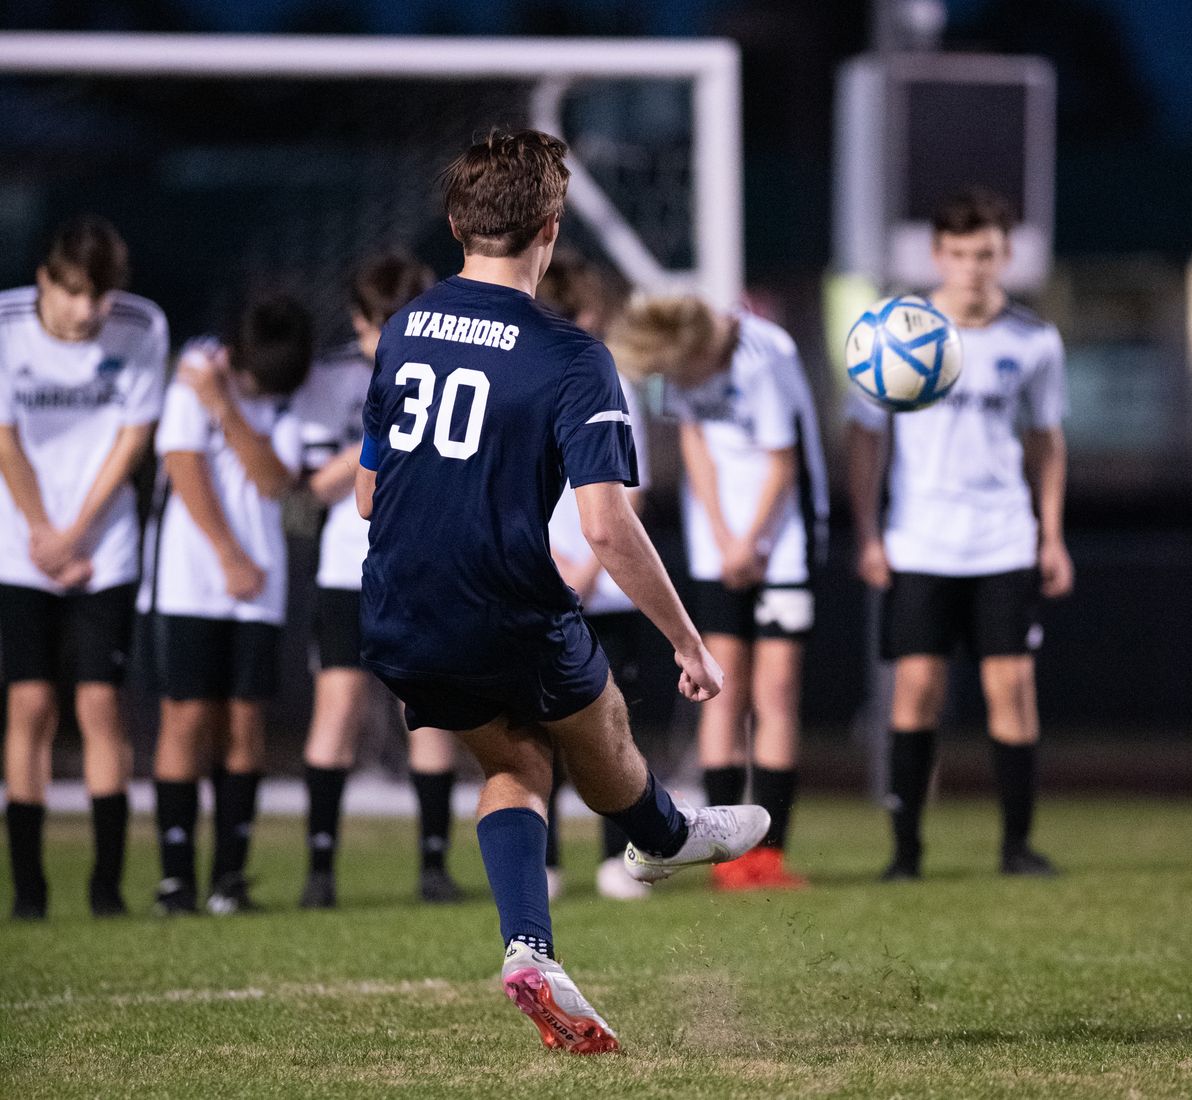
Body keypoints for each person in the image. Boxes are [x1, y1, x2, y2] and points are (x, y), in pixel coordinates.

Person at [356, 129, 768, 1054]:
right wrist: (689, 642)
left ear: (456, 222)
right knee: (602, 725)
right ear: (552, 226)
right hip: (501, 600)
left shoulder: (401, 328)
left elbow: (366, 489)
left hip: (393, 606)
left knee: (515, 762)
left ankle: (530, 951)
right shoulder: (573, 357)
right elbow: (607, 528)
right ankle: (663, 834)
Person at [846, 187, 1072, 881]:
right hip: (920, 540)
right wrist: (869, 532)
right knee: (916, 691)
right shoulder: (893, 334)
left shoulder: (1032, 340)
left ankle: (1016, 847)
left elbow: (1047, 442)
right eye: (961, 252)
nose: (975, 266)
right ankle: (906, 853)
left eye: (988, 253)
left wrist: (1051, 534)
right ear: (939, 253)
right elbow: (863, 439)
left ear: (1005, 256)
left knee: (1013, 689)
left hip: (1003, 537)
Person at [608, 295, 829, 891]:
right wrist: (724, 539)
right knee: (720, 689)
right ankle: (726, 855)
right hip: (720, 550)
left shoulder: (765, 355)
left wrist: (751, 542)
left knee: (776, 692)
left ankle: (770, 854)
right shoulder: (683, 365)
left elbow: (784, 463)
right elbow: (696, 450)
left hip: (780, 546)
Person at [0, 216, 167, 919]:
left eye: (96, 298)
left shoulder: (141, 325)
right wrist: (43, 531)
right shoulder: (6, 324)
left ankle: (106, 887)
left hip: (104, 545)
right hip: (20, 543)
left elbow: (133, 439)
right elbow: (4, 437)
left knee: (101, 704)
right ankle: (30, 891)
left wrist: (77, 532)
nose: (85, 311)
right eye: (72, 294)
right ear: (46, 280)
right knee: (30, 704)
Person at [292, 251, 462, 910]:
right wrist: (384, 431)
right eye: (380, 325)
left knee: (429, 712)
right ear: (359, 322)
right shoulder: (331, 379)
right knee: (336, 708)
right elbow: (315, 483)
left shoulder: (448, 371)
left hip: (425, 564)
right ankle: (319, 869)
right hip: (347, 568)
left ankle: (433, 865)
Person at [138, 294, 312, 915]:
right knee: (185, 718)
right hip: (189, 580)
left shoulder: (261, 390)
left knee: (244, 722)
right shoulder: (197, 367)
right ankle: (175, 880)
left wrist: (225, 406)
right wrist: (228, 554)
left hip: (256, 591)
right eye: (249, 381)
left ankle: (228, 881)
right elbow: (182, 466)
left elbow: (273, 479)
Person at [535, 252, 652, 901]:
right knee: (537, 725)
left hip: (606, 589)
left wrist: (586, 566)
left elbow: (629, 493)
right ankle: (544, 862)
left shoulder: (612, 379)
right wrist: (549, 565)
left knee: (613, 725)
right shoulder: (527, 379)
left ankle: (620, 855)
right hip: (539, 585)